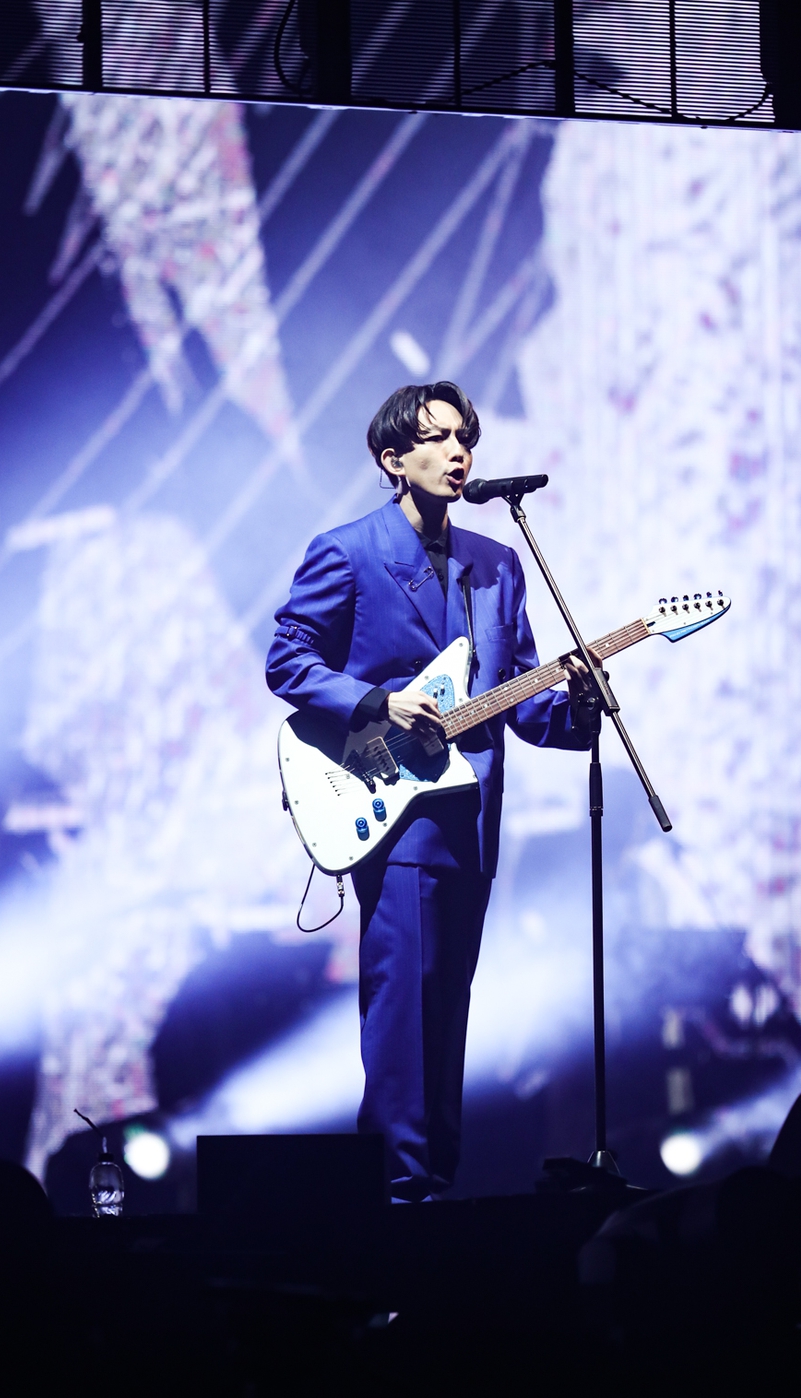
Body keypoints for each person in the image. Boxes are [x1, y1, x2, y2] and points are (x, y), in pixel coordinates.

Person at [266, 381, 598, 1202]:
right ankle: (396, 1192)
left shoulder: (499, 564)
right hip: (393, 810)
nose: (459, 453)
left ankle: (433, 1188)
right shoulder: (348, 551)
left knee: (447, 1009)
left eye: (465, 438)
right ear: (393, 459)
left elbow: (523, 701)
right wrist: (379, 703)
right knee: (403, 1008)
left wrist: (580, 707)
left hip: (470, 816)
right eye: (439, 438)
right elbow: (288, 660)